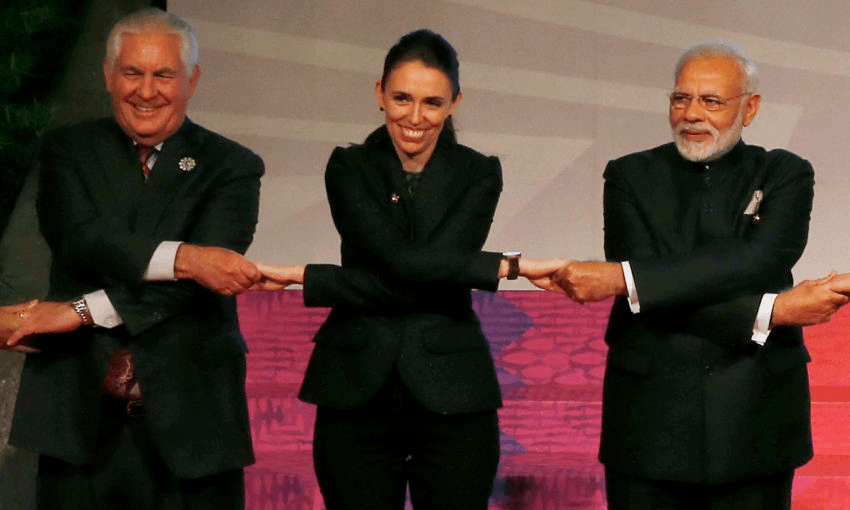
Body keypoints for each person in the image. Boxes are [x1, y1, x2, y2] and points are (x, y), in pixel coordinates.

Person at [257, 29, 563, 510]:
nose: (415, 117)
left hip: (455, 394)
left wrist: (314, 279)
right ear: (379, 93)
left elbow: (428, 270)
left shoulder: (479, 172)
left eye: (432, 102)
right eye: (401, 98)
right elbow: (411, 266)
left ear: (455, 102)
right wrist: (505, 267)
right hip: (355, 390)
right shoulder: (349, 167)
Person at [5, 8, 263, 509]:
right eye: (132, 73)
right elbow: (80, 239)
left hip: (193, 425)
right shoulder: (66, 150)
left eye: (164, 74)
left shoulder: (232, 165)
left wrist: (78, 310)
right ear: (107, 75)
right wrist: (186, 256)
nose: (147, 91)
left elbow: (198, 287)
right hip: (79, 421)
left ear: (192, 79)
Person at [555, 41, 817, 508]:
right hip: (649, 421)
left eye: (711, 101)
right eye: (681, 98)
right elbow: (646, 284)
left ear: (749, 108)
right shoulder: (629, 174)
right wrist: (772, 310)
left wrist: (627, 279)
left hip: (756, 417)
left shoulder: (785, 173)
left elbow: (759, 261)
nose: (692, 113)